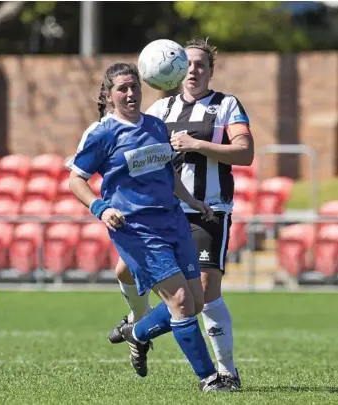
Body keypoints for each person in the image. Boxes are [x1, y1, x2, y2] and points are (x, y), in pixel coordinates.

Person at [67, 62, 231, 392]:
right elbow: (76, 179)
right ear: (109, 95)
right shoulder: (101, 133)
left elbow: (168, 173)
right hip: (136, 229)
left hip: (173, 221)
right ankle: (210, 379)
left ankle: (137, 332)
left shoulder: (156, 126)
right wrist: (101, 207)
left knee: (196, 303)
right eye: (122, 89)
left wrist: (193, 201)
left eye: (135, 87)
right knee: (182, 302)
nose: (130, 93)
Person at [108, 38, 254, 392]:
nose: (193, 70)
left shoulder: (226, 105)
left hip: (208, 211)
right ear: (174, 68)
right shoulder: (161, 109)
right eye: (187, 64)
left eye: (201, 64)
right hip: (164, 212)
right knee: (124, 269)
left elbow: (245, 153)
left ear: (210, 71)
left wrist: (198, 144)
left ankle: (227, 372)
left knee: (204, 294)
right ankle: (139, 326)